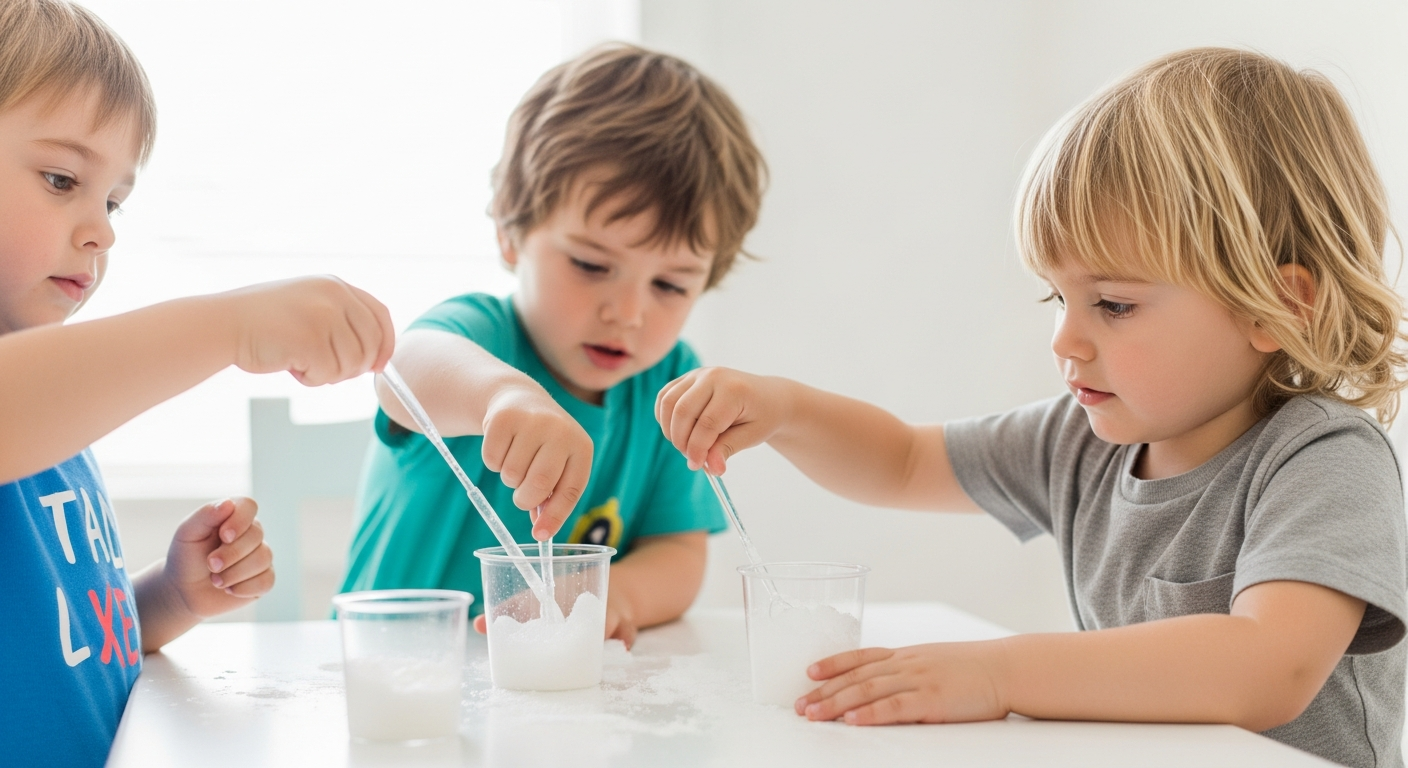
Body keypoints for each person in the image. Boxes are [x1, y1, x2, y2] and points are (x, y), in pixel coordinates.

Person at [656, 48, 1406, 768]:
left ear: (1275, 306)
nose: (1066, 340)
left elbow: (1266, 669)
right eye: (1058, 297)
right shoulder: (1080, 439)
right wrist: (783, 409)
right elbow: (904, 462)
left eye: (1113, 304)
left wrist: (998, 672)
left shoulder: (1324, 460)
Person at [0, 2, 396, 765]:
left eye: (113, 201)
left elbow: (63, 643)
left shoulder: (54, 401)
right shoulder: (27, 403)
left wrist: (171, 598)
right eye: (61, 179)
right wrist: (230, 326)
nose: (102, 230)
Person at [340, 43, 766, 647]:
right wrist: (503, 394)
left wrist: (617, 595)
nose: (628, 313)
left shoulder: (674, 385)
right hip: (397, 679)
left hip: (546, 701)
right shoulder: (480, 334)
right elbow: (401, 371)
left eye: (670, 284)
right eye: (592, 265)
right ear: (511, 234)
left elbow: (679, 551)